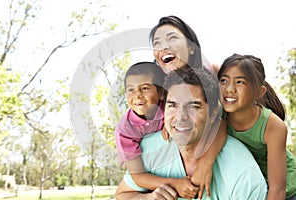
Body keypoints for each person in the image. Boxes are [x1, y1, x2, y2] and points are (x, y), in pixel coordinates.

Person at [115, 66, 268, 200]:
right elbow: (122, 195)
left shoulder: (243, 174)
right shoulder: (149, 148)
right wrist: (148, 198)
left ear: (214, 113)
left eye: (194, 106)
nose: (180, 116)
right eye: (172, 105)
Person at [148, 15, 226, 198]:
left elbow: (224, 119)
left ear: (191, 47)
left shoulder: (213, 71)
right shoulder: (157, 86)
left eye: (172, 38)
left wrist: (206, 164)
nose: (164, 47)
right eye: (157, 43)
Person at [218, 53, 296, 200]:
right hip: (253, 186)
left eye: (240, 82)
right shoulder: (218, 116)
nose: (229, 89)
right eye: (223, 80)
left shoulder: (272, 126)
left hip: (286, 192)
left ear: (258, 92)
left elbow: (278, 189)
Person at [115, 61, 198, 199]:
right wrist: (174, 183)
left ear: (161, 93)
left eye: (145, 88)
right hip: (146, 173)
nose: (137, 95)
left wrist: (170, 121)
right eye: (131, 89)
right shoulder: (125, 131)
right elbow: (138, 176)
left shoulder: (171, 108)